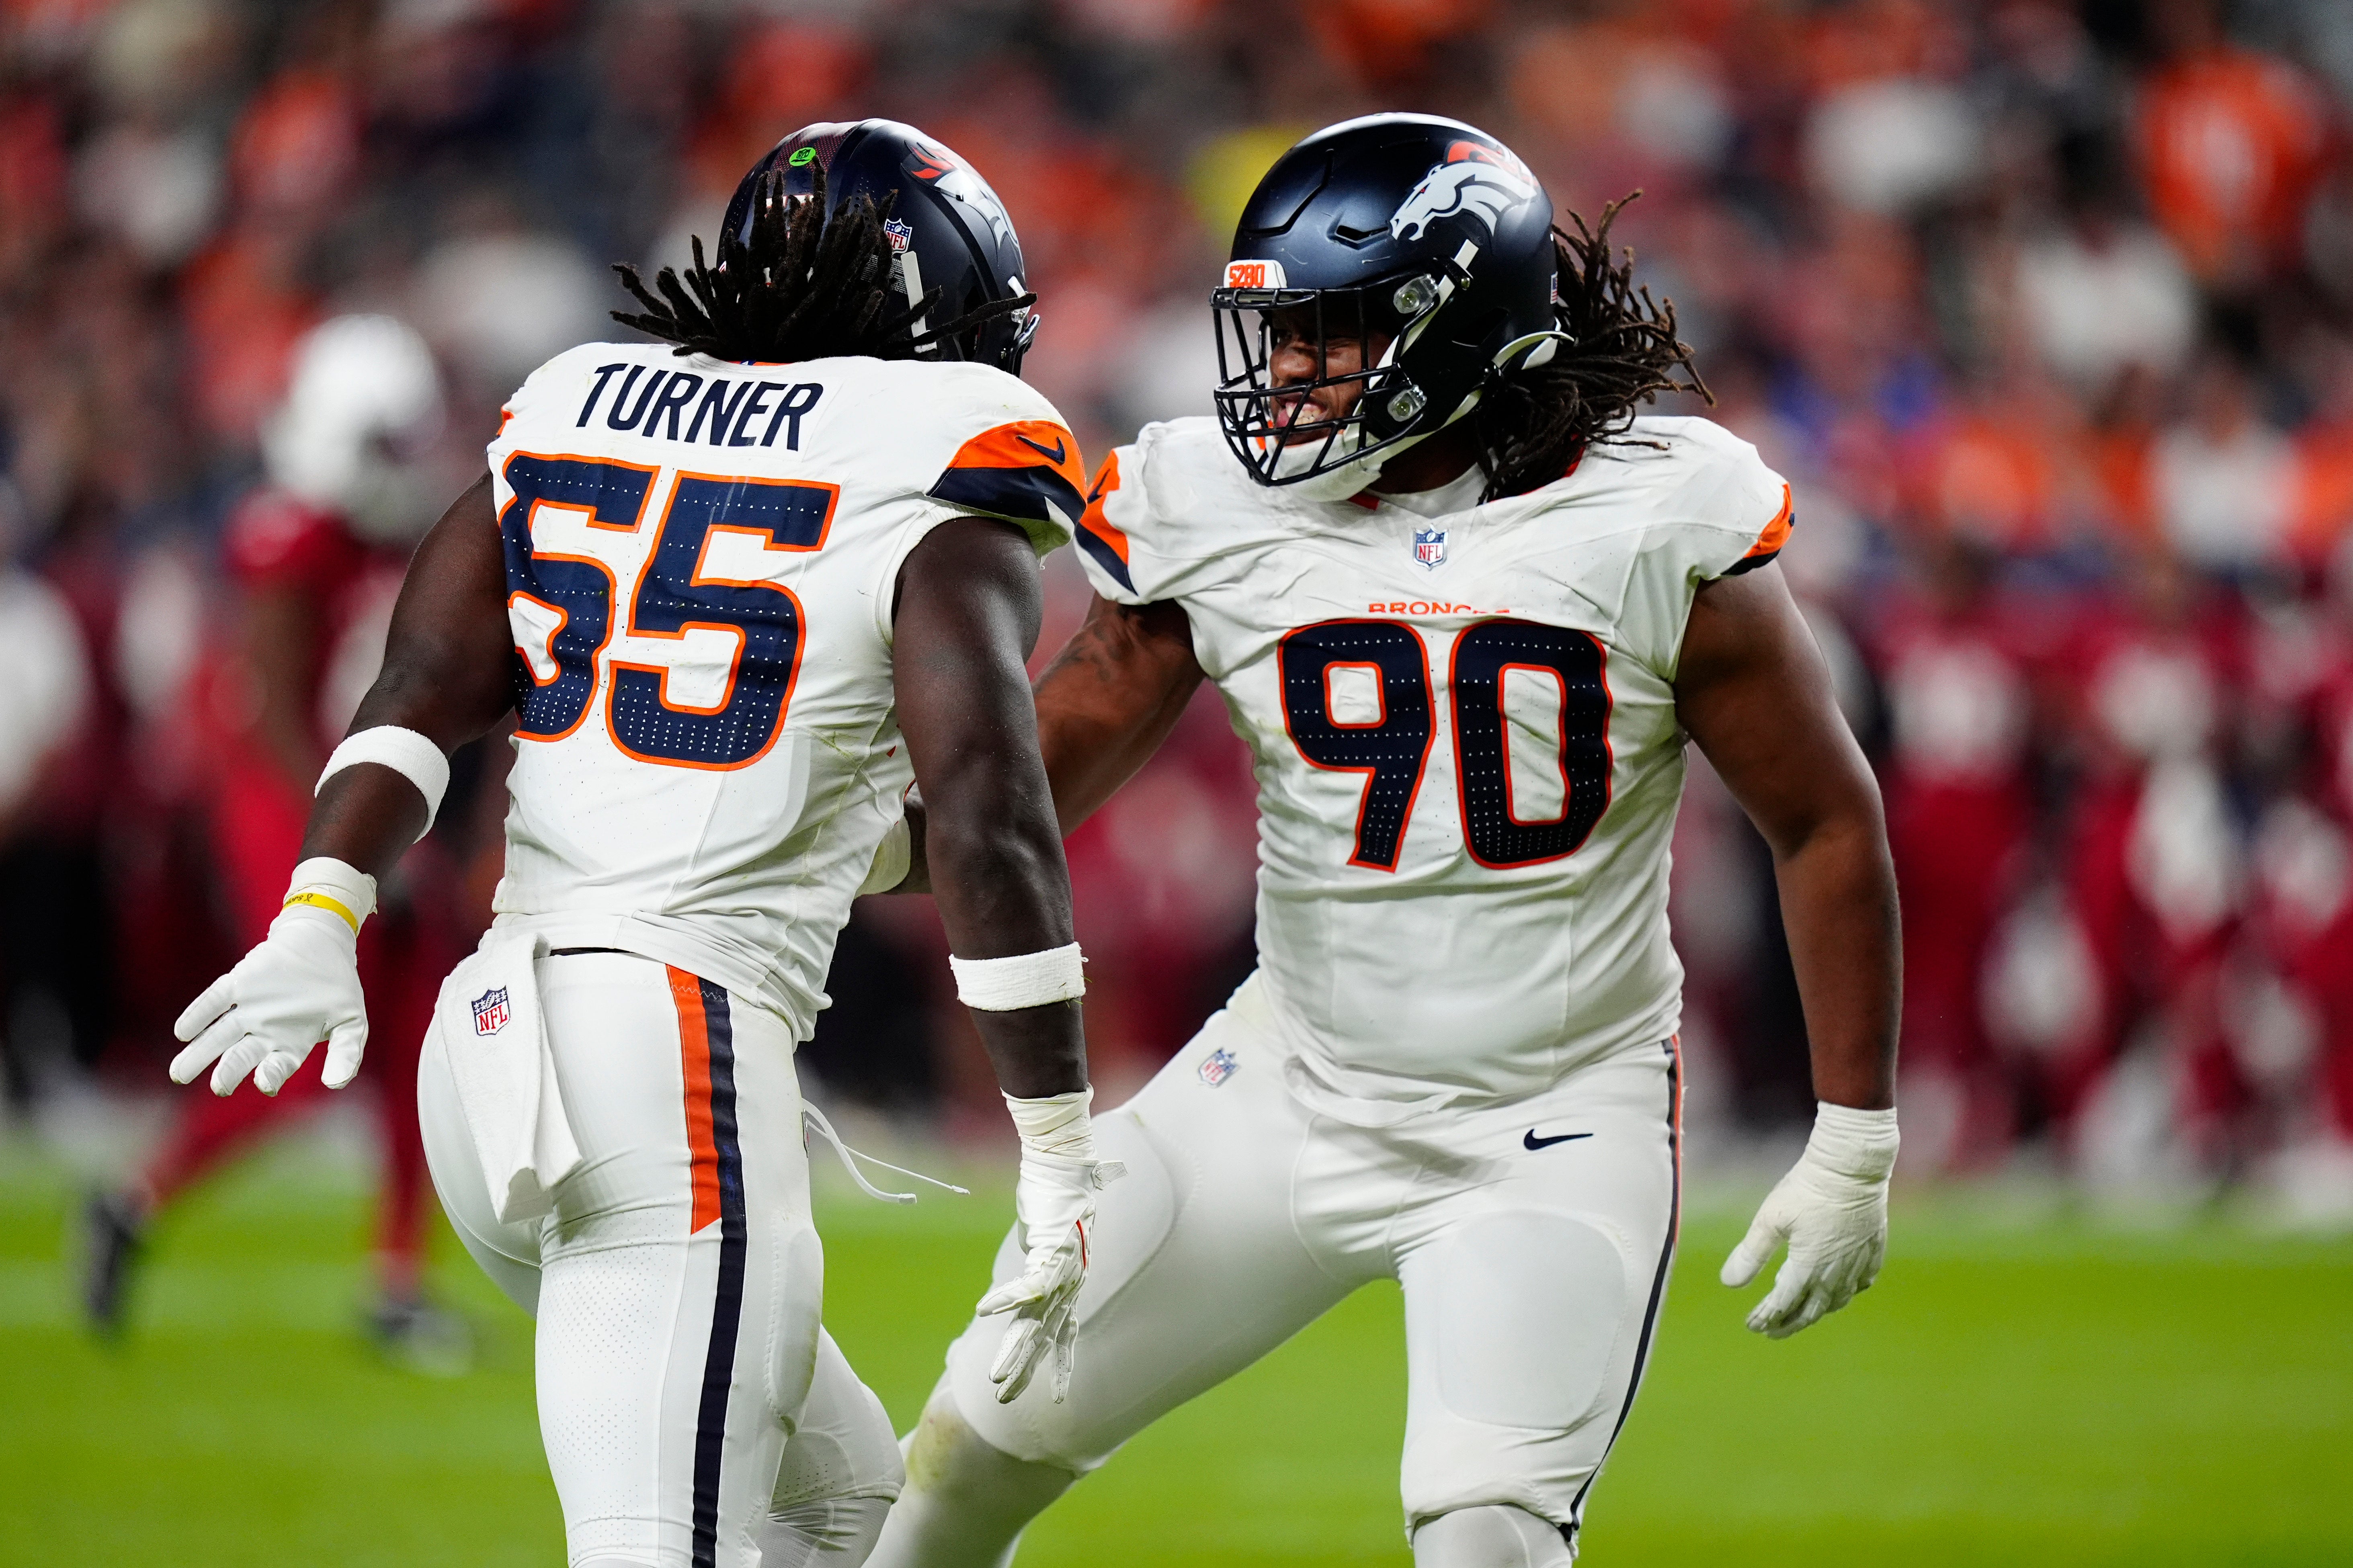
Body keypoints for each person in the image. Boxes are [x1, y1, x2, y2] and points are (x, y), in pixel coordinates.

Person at [871, 114, 1902, 1568]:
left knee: (1487, 1535)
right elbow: (1026, 781)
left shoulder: (1656, 515)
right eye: (1279, 332)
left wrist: (1855, 1137)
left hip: (1550, 1122)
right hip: (1284, 1085)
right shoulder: (1212, 508)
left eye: (1331, 333)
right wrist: (854, 845)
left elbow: (1823, 819)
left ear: (1460, 327)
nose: (1286, 372)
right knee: (970, 1447)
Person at [164, 120, 1121, 1568]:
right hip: (665, 1067)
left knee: (857, 1521)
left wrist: (320, 912)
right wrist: (1056, 1151)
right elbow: (988, 810)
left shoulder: (581, 401)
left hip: (490, 1058)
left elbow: (422, 688)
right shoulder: (941, 447)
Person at [84, 315, 470, 1363]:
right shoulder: (291, 536)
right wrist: (358, 839)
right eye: (387, 442)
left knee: (421, 1034)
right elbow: (271, 711)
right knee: (303, 1042)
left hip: (347, 796)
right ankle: (133, 1198)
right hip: (291, 803)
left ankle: (398, 1280)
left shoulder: (357, 536)